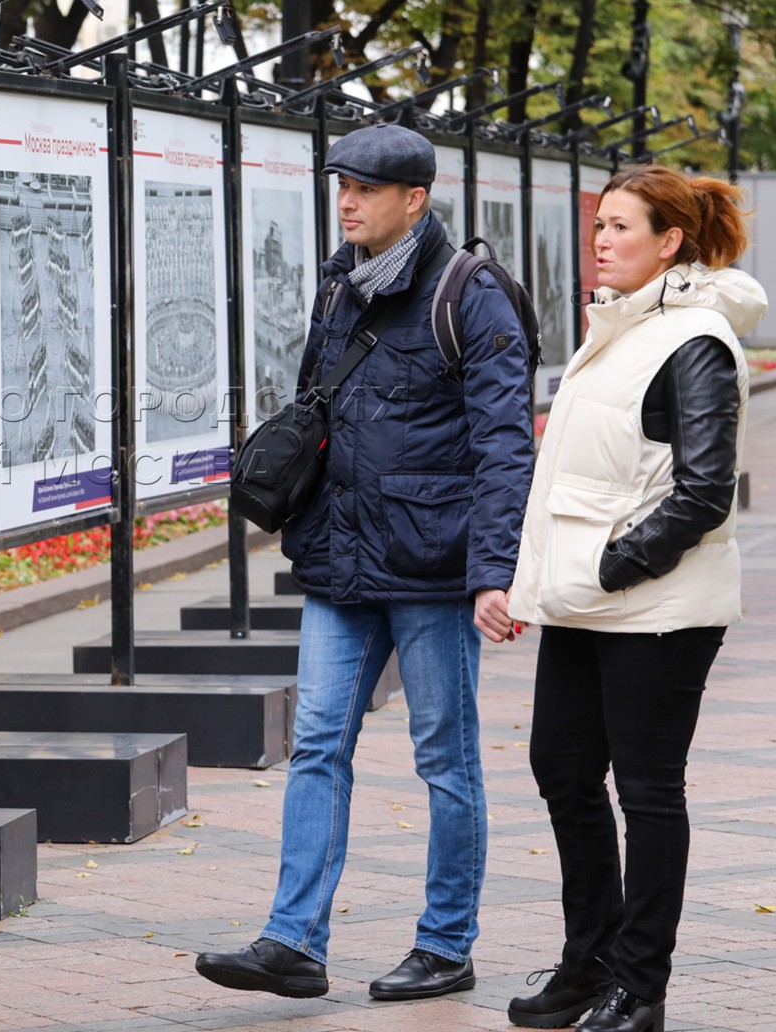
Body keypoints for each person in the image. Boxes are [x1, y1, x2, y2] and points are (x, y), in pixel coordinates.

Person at [196, 123, 535, 1002]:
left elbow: (505, 447)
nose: (345, 201)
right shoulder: (339, 284)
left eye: (364, 188)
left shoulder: (474, 292)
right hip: (340, 562)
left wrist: (494, 570)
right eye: (340, 185)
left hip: (432, 565)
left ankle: (446, 944)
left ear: (413, 199)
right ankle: (292, 941)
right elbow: (319, 406)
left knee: (445, 761)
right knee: (315, 743)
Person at [506, 167, 764, 1032]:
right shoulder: (614, 330)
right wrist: (551, 578)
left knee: (648, 790)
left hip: (658, 607)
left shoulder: (696, 341)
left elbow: (703, 492)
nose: (602, 240)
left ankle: (639, 988)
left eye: (621, 226)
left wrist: (609, 568)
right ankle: (588, 965)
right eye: (600, 225)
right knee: (563, 770)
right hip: (588, 598)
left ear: (671, 242)